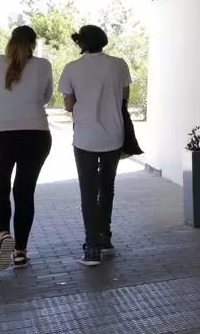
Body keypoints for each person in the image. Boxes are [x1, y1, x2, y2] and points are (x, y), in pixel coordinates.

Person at [0, 26, 54, 271]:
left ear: (11, 40)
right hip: (36, 134)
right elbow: (46, 97)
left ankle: (3, 235)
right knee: (24, 192)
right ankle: (20, 252)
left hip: (0, 135)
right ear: (33, 44)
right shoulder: (44, 65)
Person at [59, 25, 131, 267]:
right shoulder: (119, 64)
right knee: (107, 186)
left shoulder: (71, 68)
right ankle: (105, 236)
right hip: (114, 136)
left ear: (82, 44)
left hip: (85, 138)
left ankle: (92, 248)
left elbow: (69, 105)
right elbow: (124, 97)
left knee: (88, 191)